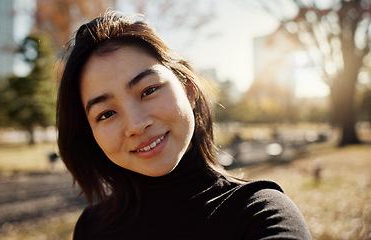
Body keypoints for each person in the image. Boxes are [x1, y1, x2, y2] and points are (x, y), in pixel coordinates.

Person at [57, 10, 312, 240]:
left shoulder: (259, 215)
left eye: (149, 90)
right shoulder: (91, 228)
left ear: (188, 90)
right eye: (106, 113)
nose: (135, 125)